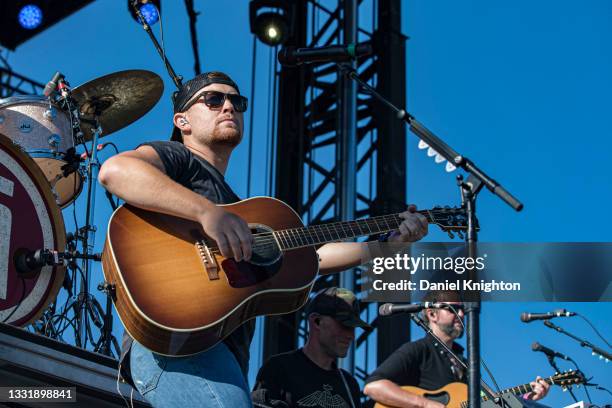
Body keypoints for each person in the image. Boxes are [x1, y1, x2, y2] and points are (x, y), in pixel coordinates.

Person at [98, 71, 429, 408]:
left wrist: (383, 248)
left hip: (220, 352)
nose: (228, 107)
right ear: (183, 121)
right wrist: (206, 213)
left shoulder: (243, 210)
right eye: (214, 100)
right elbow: (116, 171)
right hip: (175, 344)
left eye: (236, 102)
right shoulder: (179, 158)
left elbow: (310, 258)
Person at [363, 290, 550, 408]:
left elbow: (487, 402)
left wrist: (527, 398)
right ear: (432, 314)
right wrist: (425, 404)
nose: (462, 314)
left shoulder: (464, 362)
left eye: (462, 310)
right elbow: (373, 387)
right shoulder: (418, 350)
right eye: (453, 309)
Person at [252, 287, 369, 408]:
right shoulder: (278, 368)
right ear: (316, 321)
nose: (351, 335)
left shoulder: (349, 384)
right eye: (344, 325)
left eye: (353, 327)